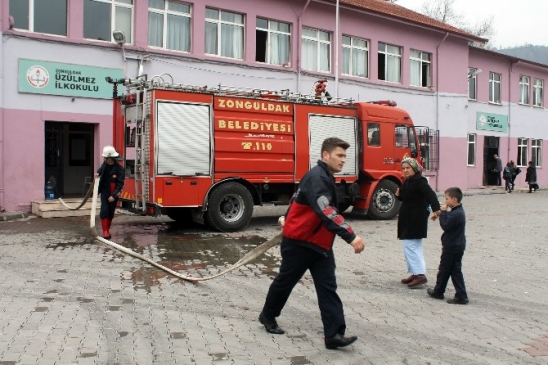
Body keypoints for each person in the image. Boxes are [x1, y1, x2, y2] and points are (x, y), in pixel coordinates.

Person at [258, 137, 365, 350]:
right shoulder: (318, 177)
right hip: (299, 243)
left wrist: (286, 217)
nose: (343, 160)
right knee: (285, 282)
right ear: (326, 155)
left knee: (327, 288)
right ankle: (267, 316)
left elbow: (297, 200)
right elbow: (325, 209)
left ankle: (333, 335)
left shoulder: (323, 176)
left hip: (319, 245)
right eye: (339, 155)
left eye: (345, 156)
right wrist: (350, 235)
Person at [396, 157, 441, 288]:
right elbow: (405, 197)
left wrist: (436, 209)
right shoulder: (408, 181)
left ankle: (420, 275)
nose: (405, 170)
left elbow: (430, 194)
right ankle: (415, 273)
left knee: (411, 246)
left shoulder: (419, 181)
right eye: (403, 168)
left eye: (407, 168)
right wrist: (398, 195)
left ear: (414, 168)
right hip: (408, 217)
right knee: (410, 245)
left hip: (416, 217)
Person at [427, 187, 469, 305]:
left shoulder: (457, 213)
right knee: (451, 270)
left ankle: (458, 295)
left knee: (447, 269)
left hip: (452, 246)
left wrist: (443, 212)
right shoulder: (457, 211)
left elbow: (445, 225)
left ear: (454, 199)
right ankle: (440, 290)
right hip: (457, 245)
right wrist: (441, 214)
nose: (445, 202)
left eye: (447, 199)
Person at [96, 146, 125, 239]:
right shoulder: (104, 165)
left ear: (111, 158)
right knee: (104, 210)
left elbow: (120, 184)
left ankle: (107, 229)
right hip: (104, 191)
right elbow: (100, 170)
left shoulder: (120, 170)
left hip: (113, 193)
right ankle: (105, 231)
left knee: (110, 212)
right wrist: (97, 173)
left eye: (106, 158)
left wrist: (114, 195)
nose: (104, 159)